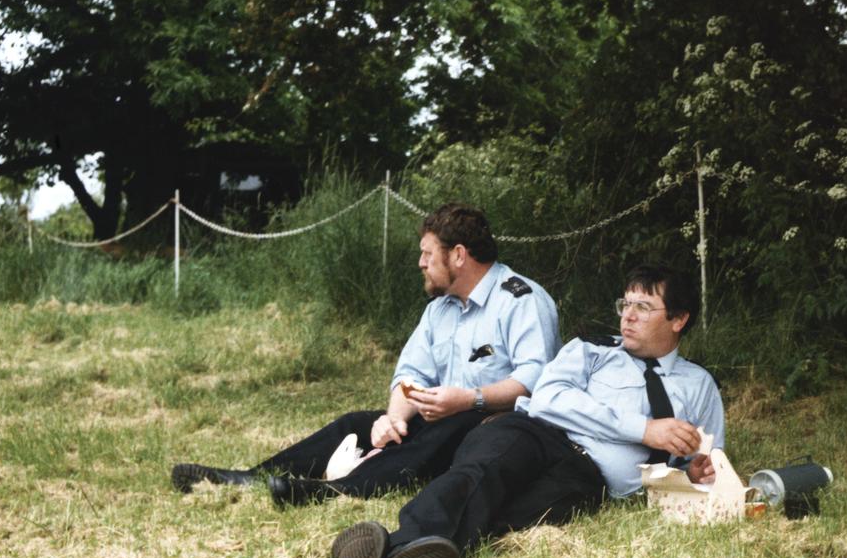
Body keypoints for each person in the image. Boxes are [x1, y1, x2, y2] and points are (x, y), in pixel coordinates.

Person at [321, 264, 725, 558]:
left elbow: (707, 466)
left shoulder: (699, 385)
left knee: (508, 514)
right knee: (480, 476)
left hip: (589, 479)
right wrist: (644, 429)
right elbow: (549, 397)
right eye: (626, 303)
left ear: (678, 319)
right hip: (534, 434)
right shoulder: (593, 348)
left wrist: (692, 476)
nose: (628, 315)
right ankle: (403, 542)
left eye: (644, 306)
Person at [170, 203, 560, 506]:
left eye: (427, 254)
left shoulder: (521, 300)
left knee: (449, 428)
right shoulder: (439, 310)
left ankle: (332, 491)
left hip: (495, 431)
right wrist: (392, 419)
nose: (420, 263)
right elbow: (411, 374)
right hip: (443, 416)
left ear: (458, 255)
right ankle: (251, 478)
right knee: (355, 423)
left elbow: (534, 380)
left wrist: (470, 399)